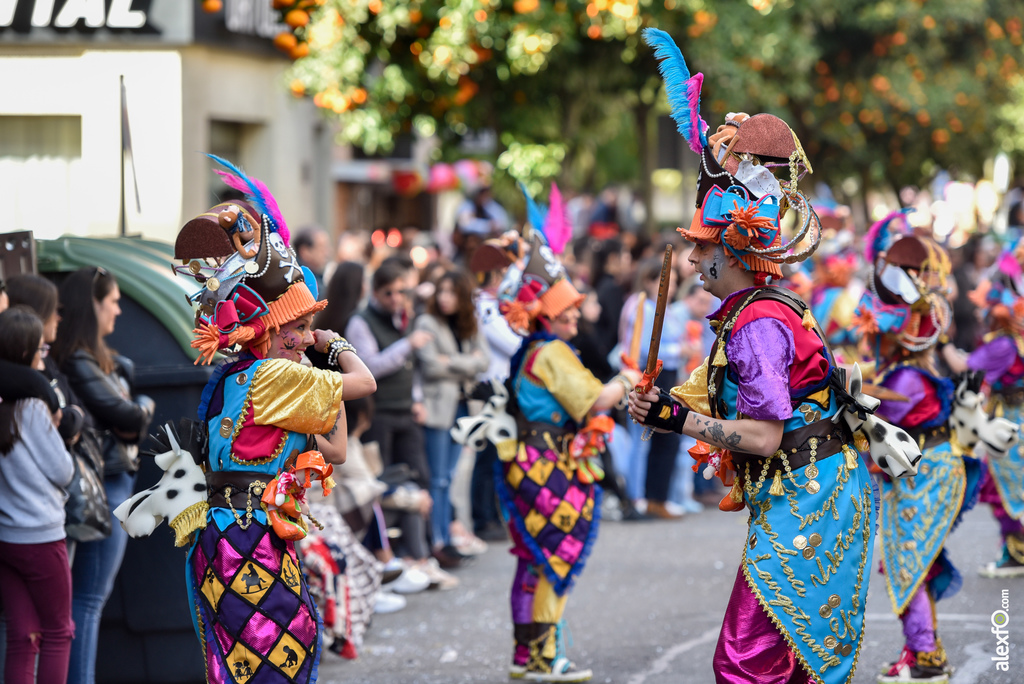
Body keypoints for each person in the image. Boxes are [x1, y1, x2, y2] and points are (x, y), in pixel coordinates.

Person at [627, 29, 913, 684]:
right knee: (780, 661)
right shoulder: (751, 313)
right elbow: (711, 398)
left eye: (703, 247)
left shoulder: (757, 322)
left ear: (732, 250)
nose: (693, 259)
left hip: (811, 492)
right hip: (807, 489)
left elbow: (761, 434)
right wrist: (660, 403)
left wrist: (676, 421)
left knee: (746, 661)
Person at [167, 158, 376, 683]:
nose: (307, 336)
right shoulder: (272, 379)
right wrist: (334, 350)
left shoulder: (242, 377)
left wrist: (321, 379)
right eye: (300, 327)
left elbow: (335, 451)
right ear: (267, 331)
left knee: (258, 657)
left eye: (310, 327)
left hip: (234, 538)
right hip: (248, 541)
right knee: (275, 655)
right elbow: (367, 382)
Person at [496, 234, 642, 681]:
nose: (576, 314)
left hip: (532, 459)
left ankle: (527, 657)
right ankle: (544, 658)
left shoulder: (537, 352)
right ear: (547, 317)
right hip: (548, 462)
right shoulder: (552, 353)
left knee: (533, 558)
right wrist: (627, 380)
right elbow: (595, 401)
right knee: (553, 557)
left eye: (576, 307)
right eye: (567, 310)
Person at [853, 230, 983, 682]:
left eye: (877, 334)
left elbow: (871, 423)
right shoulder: (905, 371)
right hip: (925, 471)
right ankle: (923, 650)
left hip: (925, 473)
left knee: (908, 561)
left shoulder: (906, 381)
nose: (872, 342)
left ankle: (927, 658)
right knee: (913, 562)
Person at [51, 266, 154, 684]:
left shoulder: (99, 358)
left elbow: (130, 416)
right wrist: (142, 408)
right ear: (92, 304)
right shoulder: (78, 357)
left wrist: (137, 409)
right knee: (88, 600)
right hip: (105, 485)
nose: (118, 311)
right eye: (113, 301)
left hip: (113, 482)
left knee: (90, 600)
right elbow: (127, 415)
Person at [0, 307, 76, 684]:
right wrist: (64, 436)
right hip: (43, 536)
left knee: (22, 636)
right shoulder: (32, 408)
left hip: (6, 538)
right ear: (28, 350)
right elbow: (63, 471)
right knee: (59, 632)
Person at [414, 269, 490, 559]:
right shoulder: (427, 321)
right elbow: (431, 366)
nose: (445, 298)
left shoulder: (468, 324)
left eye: (451, 292)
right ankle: (438, 539)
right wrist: (466, 362)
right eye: (441, 291)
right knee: (438, 477)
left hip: (463, 406)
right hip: (437, 408)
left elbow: (484, 360)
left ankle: (445, 536)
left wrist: (452, 362)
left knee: (451, 475)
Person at [345, 258, 434, 500]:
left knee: (419, 476)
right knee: (383, 481)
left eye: (401, 292)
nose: (396, 298)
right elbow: (370, 367)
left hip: (406, 409)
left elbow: (411, 368)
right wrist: (406, 344)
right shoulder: (361, 321)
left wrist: (417, 399)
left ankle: (421, 538)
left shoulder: (402, 316)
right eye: (389, 293)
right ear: (375, 292)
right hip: (379, 412)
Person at [967, 241, 1024, 576]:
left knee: (1006, 488)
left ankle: (1016, 552)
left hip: (1009, 422)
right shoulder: (1011, 340)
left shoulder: (1003, 343)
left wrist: (940, 346)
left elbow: (967, 366)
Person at [619, 255, 685, 519]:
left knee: (661, 438)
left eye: (675, 283)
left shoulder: (658, 306)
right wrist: (681, 349)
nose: (673, 289)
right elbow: (647, 348)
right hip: (646, 375)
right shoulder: (642, 305)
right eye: (668, 282)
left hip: (664, 374)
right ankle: (638, 498)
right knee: (641, 439)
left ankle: (655, 497)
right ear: (649, 281)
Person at [293, 226, 332, 299]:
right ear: (305, 252)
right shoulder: (299, 283)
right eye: (322, 248)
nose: (327, 253)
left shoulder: (318, 276)